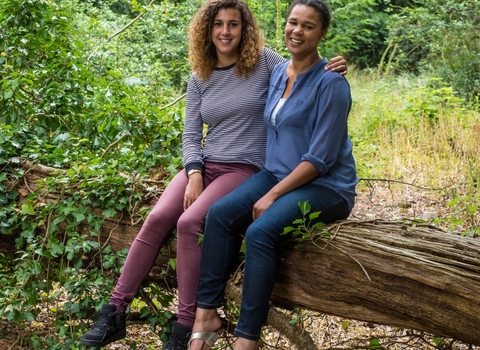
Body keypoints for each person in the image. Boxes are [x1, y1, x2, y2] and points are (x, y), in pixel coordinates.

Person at [79, 0, 347, 349]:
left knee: (189, 223)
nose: (225, 32)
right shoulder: (199, 76)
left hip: (245, 166)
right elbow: (191, 134)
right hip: (205, 165)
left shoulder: (266, 62)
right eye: (218, 24)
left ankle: (187, 323)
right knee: (157, 217)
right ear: (206, 30)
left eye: (233, 24)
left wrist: (335, 66)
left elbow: (304, 72)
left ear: (245, 29)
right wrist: (193, 172)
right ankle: (114, 311)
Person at [188, 0, 358, 349]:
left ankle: (247, 338)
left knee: (260, 231)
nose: (297, 31)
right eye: (293, 22)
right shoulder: (279, 71)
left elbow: (320, 159)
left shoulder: (332, 85)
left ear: (322, 33)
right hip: (278, 173)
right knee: (219, 214)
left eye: (308, 26)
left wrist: (273, 194)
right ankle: (205, 314)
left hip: (326, 185)